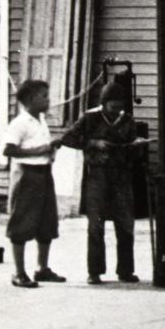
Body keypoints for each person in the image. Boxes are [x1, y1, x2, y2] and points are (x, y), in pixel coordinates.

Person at [60, 82, 144, 284]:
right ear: (104, 104)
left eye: (120, 107)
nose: (117, 112)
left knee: (125, 224)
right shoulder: (90, 118)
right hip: (97, 176)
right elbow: (68, 138)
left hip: (121, 176)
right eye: (113, 107)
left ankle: (125, 271)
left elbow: (133, 148)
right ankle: (94, 271)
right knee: (95, 225)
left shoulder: (128, 120)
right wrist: (93, 143)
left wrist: (136, 146)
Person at [2, 79, 65, 288]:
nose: (48, 100)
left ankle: (42, 268)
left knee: (46, 221)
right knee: (22, 221)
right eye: (43, 96)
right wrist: (39, 150)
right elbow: (8, 150)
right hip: (27, 175)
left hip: (44, 173)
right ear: (30, 100)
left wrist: (51, 147)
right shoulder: (19, 123)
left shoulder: (41, 120)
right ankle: (19, 273)